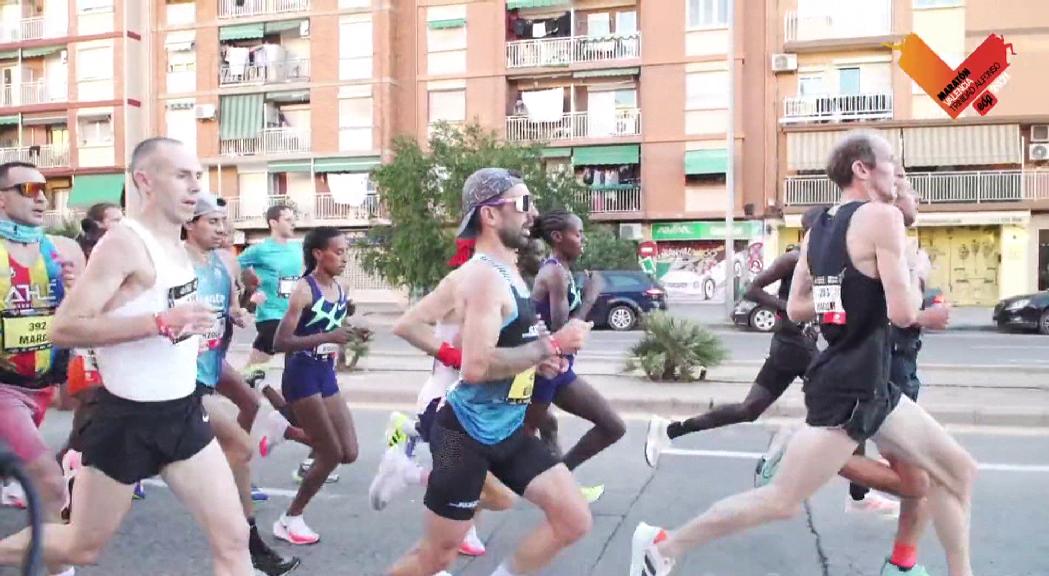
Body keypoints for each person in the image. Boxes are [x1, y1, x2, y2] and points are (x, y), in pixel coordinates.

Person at [628, 131, 977, 576]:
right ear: (862, 169)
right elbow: (904, 311)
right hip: (848, 391)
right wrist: (920, 293)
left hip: (870, 385)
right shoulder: (881, 217)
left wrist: (848, 293)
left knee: (958, 472)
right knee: (780, 502)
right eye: (890, 161)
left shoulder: (817, 232)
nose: (897, 172)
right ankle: (662, 546)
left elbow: (797, 307)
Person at [0, 138, 252, 576]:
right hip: (127, 423)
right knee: (80, 548)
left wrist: (193, 327)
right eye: (181, 176)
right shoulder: (124, 243)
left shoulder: (176, 243)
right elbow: (65, 326)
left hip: (183, 414)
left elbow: (168, 320)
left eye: (197, 176)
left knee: (233, 542)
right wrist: (159, 323)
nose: (195, 187)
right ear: (145, 181)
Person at [385, 167, 593, 576]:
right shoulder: (482, 276)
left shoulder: (503, 270)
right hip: (464, 433)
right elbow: (477, 368)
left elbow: (407, 323)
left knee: (573, 519)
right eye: (523, 204)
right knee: (436, 557)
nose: (532, 214)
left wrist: (539, 358)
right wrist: (550, 345)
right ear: (490, 215)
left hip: (507, 428)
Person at [369, 235, 519, 559]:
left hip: (473, 410)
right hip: (445, 405)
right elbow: (410, 326)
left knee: (472, 495)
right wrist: (462, 359)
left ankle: (450, 538)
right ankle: (409, 471)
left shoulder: (502, 289)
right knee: (499, 496)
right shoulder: (468, 286)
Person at [184, 192, 301, 575]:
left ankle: (222, 463)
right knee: (241, 445)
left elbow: (233, 303)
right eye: (212, 221)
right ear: (189, 223)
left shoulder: (224, 261)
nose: (222, 228)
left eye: (223, 221)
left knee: (250, 404)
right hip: (185, 374)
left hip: (213, 362)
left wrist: (238, 312)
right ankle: (249, 543)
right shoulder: (177, 263)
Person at [0, 161, 83, 576]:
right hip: (2, 388)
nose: (40, 196)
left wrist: (72, 292)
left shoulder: (64, 250)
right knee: (51, 485)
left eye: (44, 188)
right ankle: (54, 570)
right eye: (27, 187)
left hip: (43, 386)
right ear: (1, 197)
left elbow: (85, 317)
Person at [271, 226, 363, 545]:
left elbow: (335, 326)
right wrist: (329, 337)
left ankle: (280, 428)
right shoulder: (303, 290)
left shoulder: (342, 286)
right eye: (338, 252)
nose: (344, 258)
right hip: (301, 374)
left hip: (325, 373)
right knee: (331, 452)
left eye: (345, 252)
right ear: (318, 254)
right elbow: (280, 341)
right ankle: (290, 519)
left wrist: (349, 335)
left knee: (349, 452)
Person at [526, 209, 625, 503]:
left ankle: (559, 486)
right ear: (558, 237)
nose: (583, 240)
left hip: (557, 367)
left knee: (544, 428)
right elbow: (561, 332)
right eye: (578, 233)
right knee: (612, 426)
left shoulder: (562, 270)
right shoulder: (555, 272)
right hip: (546, 370)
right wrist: (592, 296)